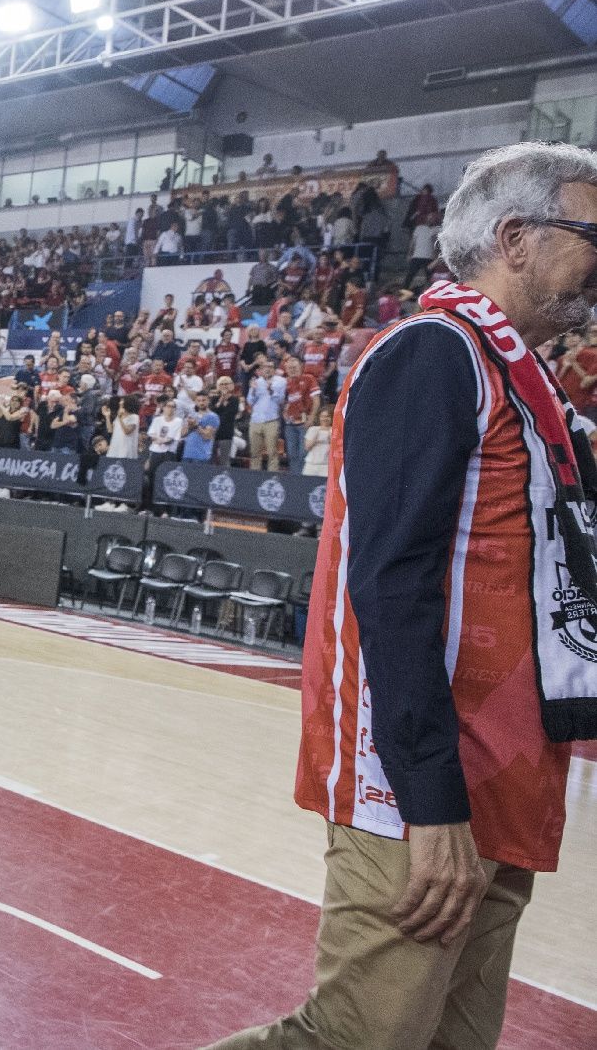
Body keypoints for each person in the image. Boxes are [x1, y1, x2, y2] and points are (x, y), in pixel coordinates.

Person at [207, 142, 597, 1050]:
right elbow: (389, 586)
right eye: (590, 232)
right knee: (354, 1038)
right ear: (516, 237)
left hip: (507, 769)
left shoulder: (527, 383)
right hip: (425, 781)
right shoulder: (434, 353)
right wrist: (431, 800)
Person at [245, 360, 285, 470]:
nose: (268, 369)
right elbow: (250, 401)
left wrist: (270, 390)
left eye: (270, 367)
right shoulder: (256, 381)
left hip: (271, 420)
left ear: (274, 369)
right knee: (254, 452)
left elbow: (281, 400)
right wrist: (252, 390)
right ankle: (254, 477)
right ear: (261, 370)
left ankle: (272, 476)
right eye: (265, 367)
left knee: (272, 452)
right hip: (255, 420)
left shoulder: (281, 381)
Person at [300, 406, 332, 476]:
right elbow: (307, 447)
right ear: (319, 417)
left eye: (327, 416)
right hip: (311, 464)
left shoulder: (334, 431)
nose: (325, 419)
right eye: (322, 416)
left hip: (326, 465)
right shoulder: (313, 429)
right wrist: (316, 437)